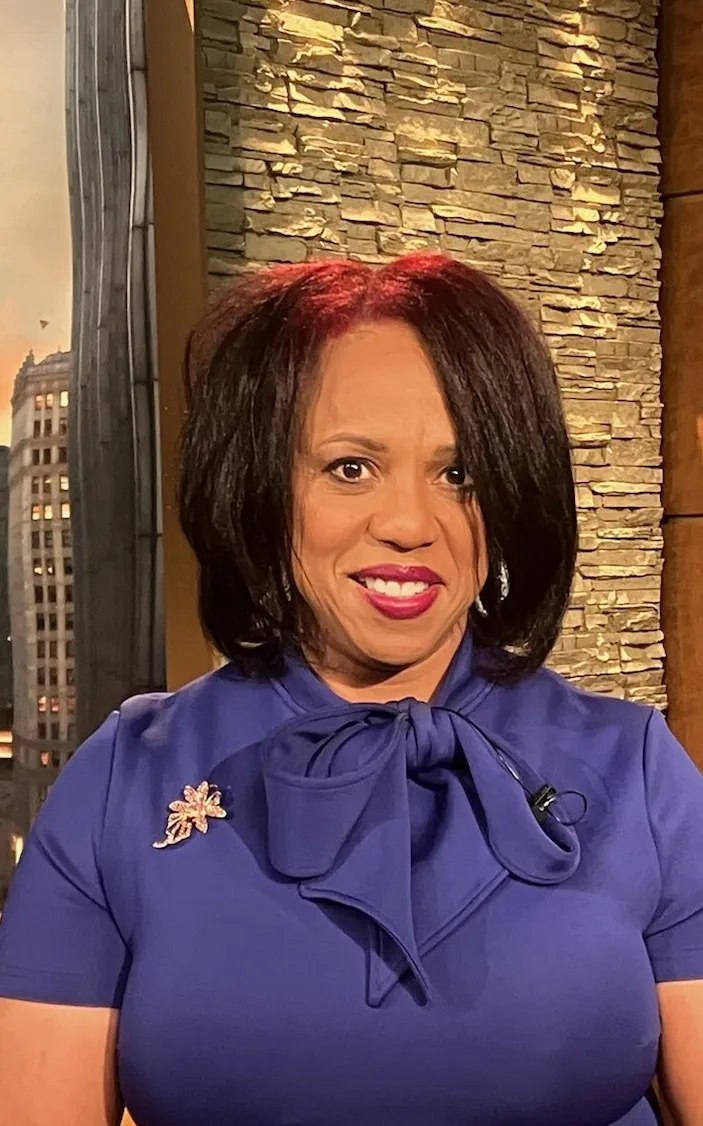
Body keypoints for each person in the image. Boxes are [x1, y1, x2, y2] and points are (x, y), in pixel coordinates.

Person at [0, 252, 701, 1126]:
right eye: (349, 468)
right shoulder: (125, 783)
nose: (411, 522)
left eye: (461, 473)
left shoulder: (638, 772)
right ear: (259, 487)